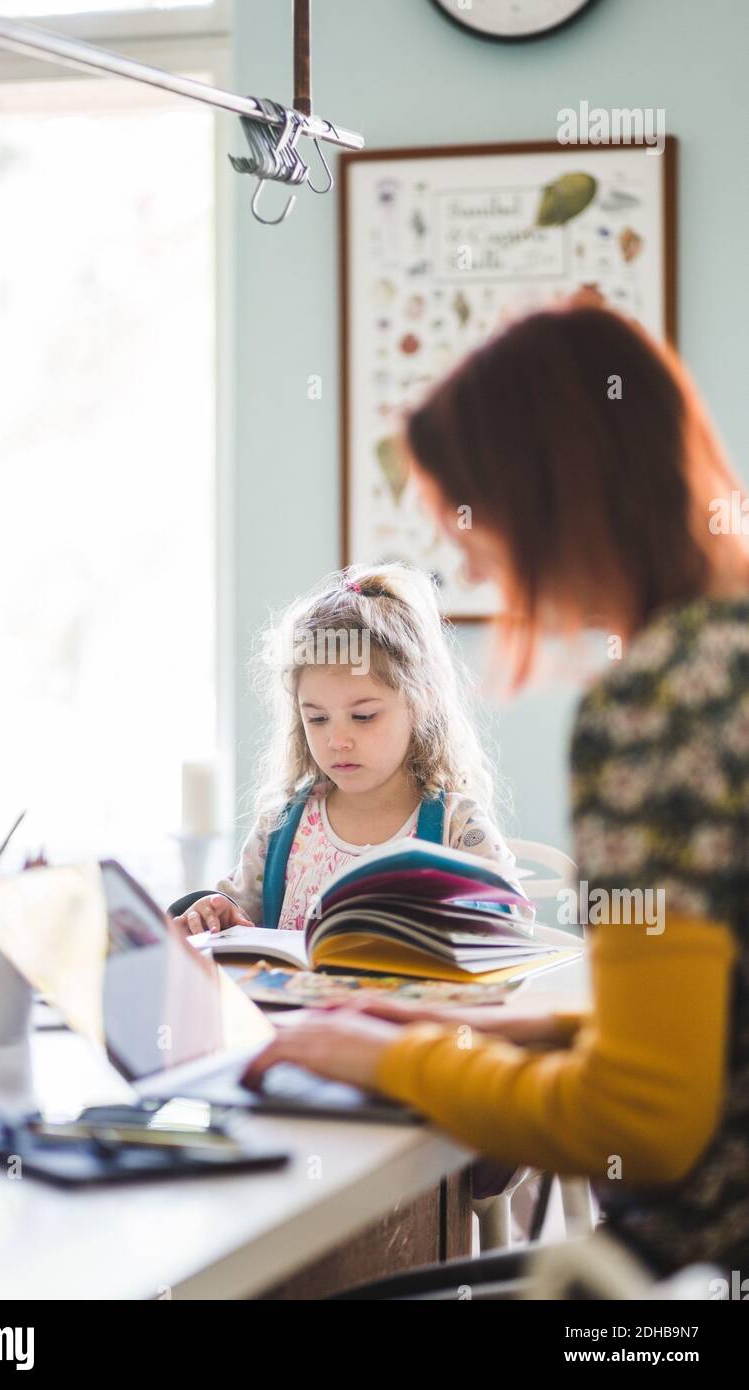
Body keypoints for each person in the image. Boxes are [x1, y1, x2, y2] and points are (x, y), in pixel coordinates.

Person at [242, 299, 749, 1293]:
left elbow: (642, 1116)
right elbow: (705, 1034)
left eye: (477, 513)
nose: (470, 557)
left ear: (551, 493)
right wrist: (455, 1030)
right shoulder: (723, 654)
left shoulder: (658, 703)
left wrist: (383, 1063)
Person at [167, 562, 526, 933]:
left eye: (364, 716)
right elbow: (237, 912)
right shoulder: (279, 826)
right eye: (317, 719)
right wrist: (215, 911)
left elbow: (510, 932)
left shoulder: (457, 825)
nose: (337, 741)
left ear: (422, 706)